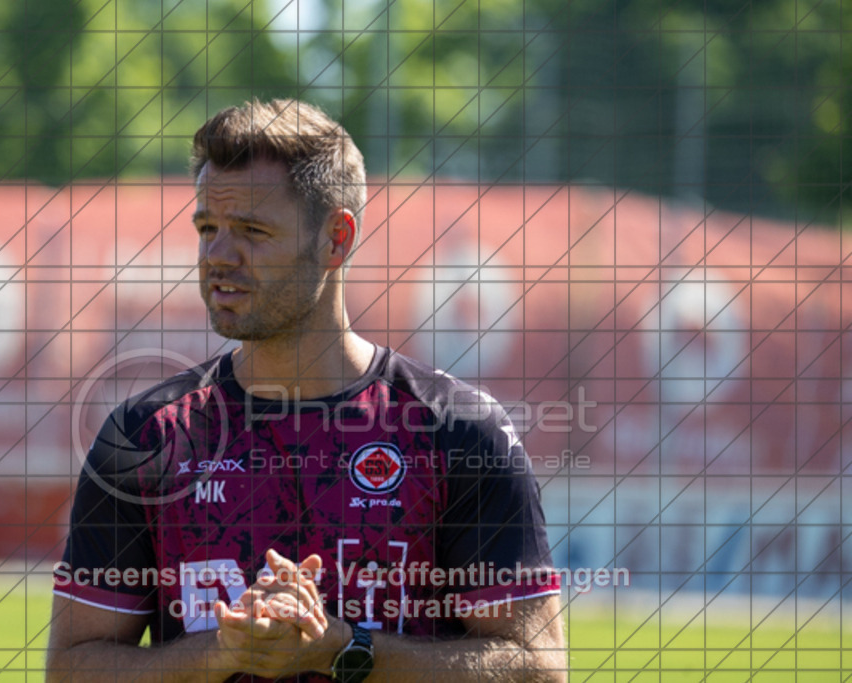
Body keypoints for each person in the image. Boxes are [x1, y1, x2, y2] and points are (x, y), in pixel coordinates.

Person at [46, 98, 567, 682]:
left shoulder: (458, 429)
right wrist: (220, 654)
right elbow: (72, 668)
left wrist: (347, 650)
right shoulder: (147, 434)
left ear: (336, 239)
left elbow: (536, 669)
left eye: (252, 231)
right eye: (207, 228)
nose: (217, 256)